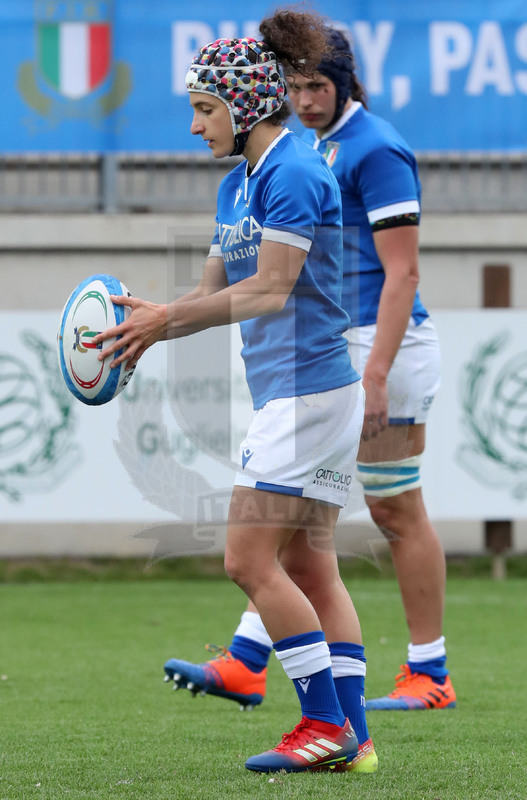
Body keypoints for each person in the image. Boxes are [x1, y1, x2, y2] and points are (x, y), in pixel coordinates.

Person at [95, 9, 376, 774]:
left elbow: (270, 289)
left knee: (246, 560)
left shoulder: (295, 170)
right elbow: (214, 291)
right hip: (298, 394)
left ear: (246, 104)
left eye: (204, 108)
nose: (194, 125)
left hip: (307, 393)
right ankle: (353, 740)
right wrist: (147, 330)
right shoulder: (238, 186)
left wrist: (165, 318)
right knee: (312, 567)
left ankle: (321, 728)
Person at [164, 25, 456, 715]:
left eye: (315, 85)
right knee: (304, 544)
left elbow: (401, 270)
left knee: (386, 509)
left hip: (373, 347)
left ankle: (425, 670)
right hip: (328, 351)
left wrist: (377, 369)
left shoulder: (371, 147)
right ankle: (277, 683)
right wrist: (154, 320)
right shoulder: (280, 159)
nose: (304, 98)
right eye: (293, 86)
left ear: (345, 82)